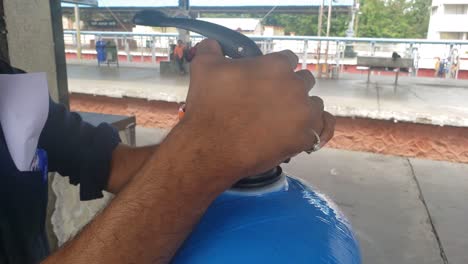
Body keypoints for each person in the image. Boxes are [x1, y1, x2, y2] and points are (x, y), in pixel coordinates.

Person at [1, 39, 335, 263]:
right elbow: (195, 160)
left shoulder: (8, 86)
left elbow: (109, 163)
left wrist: (243, 142)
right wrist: (207, 149)